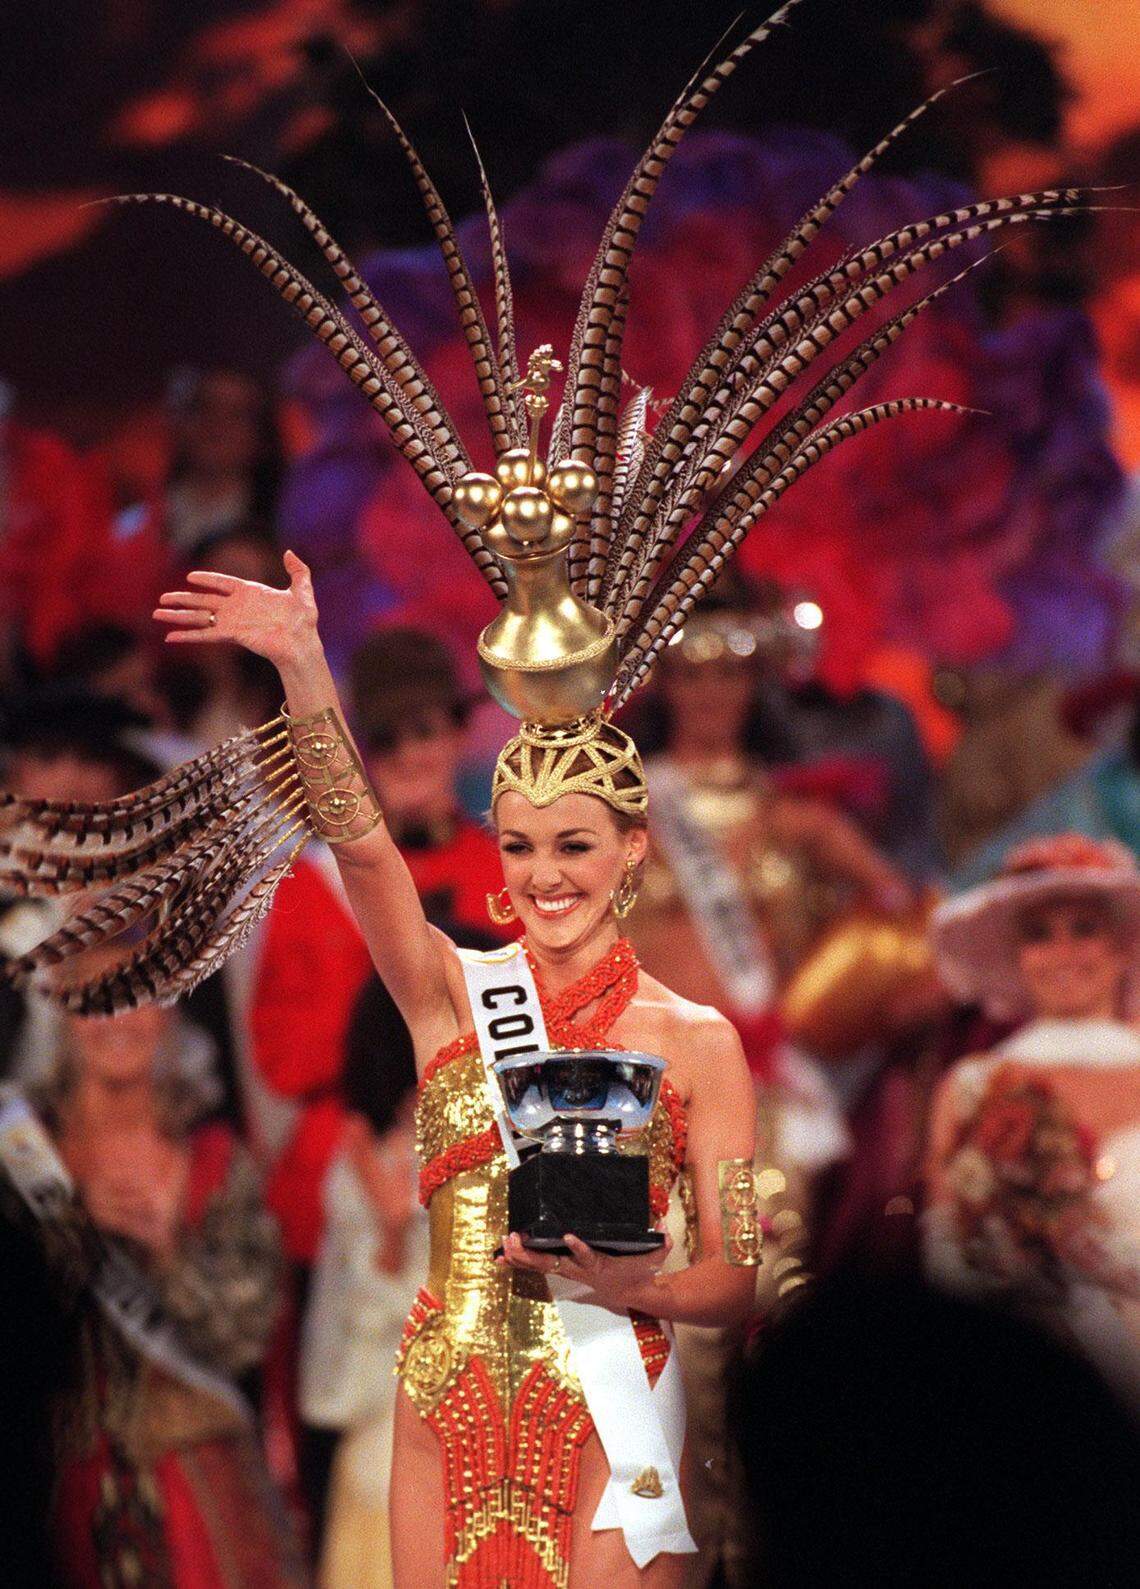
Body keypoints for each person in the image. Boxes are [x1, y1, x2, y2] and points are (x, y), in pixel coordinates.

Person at [3, 18, 1084, 1580]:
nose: (541, 871)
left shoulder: (691, 1044)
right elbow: (366, 844)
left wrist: (639, 1287)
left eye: (572, 845)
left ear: (632, 850)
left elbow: (741, 1274)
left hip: (610, 1403)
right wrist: (308, 667)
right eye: (519, 845)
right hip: (449, 1397)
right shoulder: (454, 993)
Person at [18, 954, 300, 1586]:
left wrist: (173, 1255)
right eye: (94, 995)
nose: (117, 1016)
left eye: (138, 993)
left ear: (172, 1009)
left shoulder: (215, 1160)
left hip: (202, 1489)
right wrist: (69, 1228)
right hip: (47, 1489)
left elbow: (250, 1335)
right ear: (60, 1014)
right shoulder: (21, 1156)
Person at [924, 833, 1140, 1400]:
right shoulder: (974, 1084)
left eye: (1084, 929)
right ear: (1016, 956)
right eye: (1040, 934)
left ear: (1121, 947)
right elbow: (949, 1249)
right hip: (1036, 1369)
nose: (1064, 953)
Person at [299, 975, 427, 1589]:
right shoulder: (362, 1171)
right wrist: (393, 1234)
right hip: (392, 1452)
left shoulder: (531, 1155)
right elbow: (350, 1344)